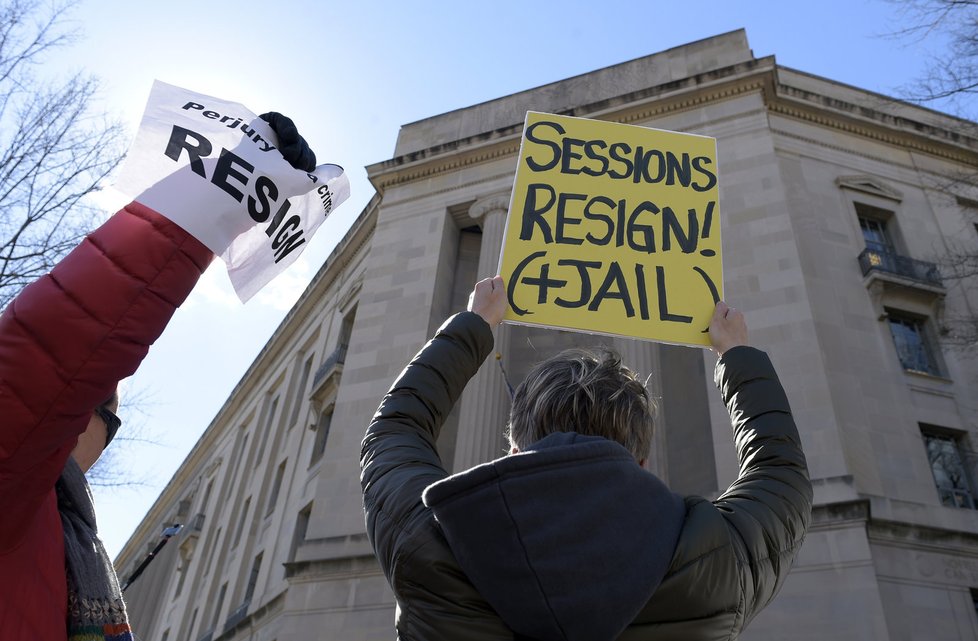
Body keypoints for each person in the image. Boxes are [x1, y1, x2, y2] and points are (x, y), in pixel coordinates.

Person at [0, 113, 316, 641]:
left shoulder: (59, 530)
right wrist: (224, 193)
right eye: (104, 413)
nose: (105, 436)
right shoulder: (17, 477)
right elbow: (64, 341)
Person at [361, 275, 813, 641]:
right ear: (641, 463)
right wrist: (735, 353)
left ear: (515, 448)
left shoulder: (427, 543)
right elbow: (779, 473)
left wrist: (474, 324)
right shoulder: (716, 565)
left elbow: (394, 429)